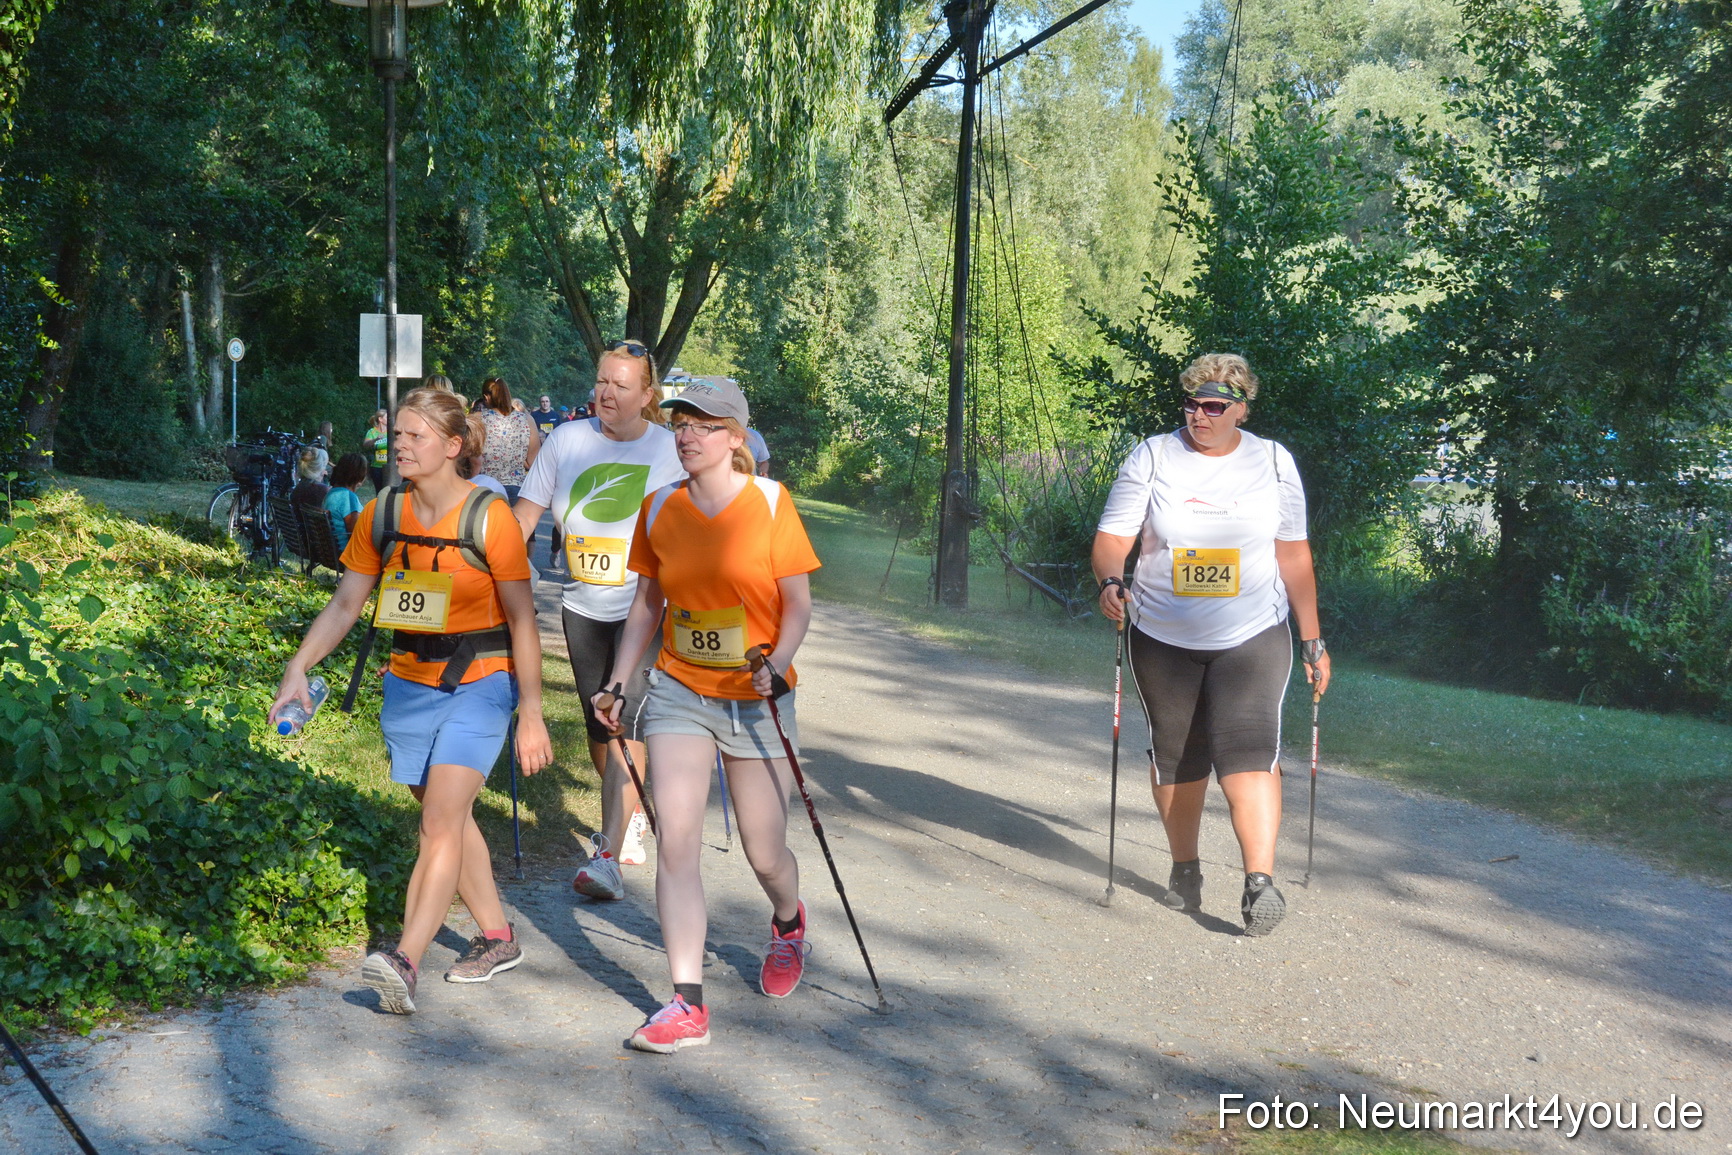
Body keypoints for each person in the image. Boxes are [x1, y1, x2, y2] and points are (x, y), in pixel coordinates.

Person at [269, 387, 553, 1013]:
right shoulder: (384, 512)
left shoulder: (491, 519)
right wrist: (298, 666)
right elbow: (348, 603)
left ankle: (405, 958)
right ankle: (500, 937)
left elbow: (524, 622)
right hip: (406, 686)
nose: (399, 444)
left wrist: (530, 710)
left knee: (438, 823)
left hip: (480, 684)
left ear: (453, 447)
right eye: (397, 434)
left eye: (414, 435)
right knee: (446, 818)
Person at [594, 374, 821, 1054]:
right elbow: (646, 605)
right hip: (679, 691)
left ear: (735, 437)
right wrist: (617, 681)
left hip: (755, 697)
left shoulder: (772, 502)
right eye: (681, 422)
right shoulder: (660, 506)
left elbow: (799, 604)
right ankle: (686, 1000)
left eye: (702, 423)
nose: (686, 433)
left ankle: (787, 919)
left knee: (763, 848)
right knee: (678, 837)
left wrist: (778, 660)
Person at [1090, 352, 1330, 938]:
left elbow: (1293, 554)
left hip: (1252, 632)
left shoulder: (1273, 462)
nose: (1201, 416)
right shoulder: (1153, 455)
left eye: (1215, 406)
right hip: (1163, 635)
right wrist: (1109, 582)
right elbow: (1112, 538)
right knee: (1178, 754)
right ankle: (1185, 867)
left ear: (1241, 410)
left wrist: (1312, 639)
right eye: (1193, 405)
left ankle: (1258, 883)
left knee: (1248, 748)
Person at [513, 337, 684, 899]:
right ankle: (628, 809)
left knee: (625, 718)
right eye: (602, 381)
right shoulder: (566, 440)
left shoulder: (666, 450)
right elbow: (524, 517)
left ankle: (606, 855)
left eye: (622, 385)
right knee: (598, 726)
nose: (607, 393)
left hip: (646, 605)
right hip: (582, 604)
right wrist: (490, 567)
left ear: (647, 395)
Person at [476, 376, 540, 503]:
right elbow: (534, 461)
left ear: (487, 397)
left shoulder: (477, 419)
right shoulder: (527, 419)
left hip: (484, 485)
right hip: (516, 487)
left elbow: (470, 457)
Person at [323, 452, 367, 550]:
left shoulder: (331, 493)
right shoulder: (348, 498)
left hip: (332, 551)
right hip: (348, 554)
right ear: (359, 475)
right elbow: (356, 534)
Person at [362, 410, 390, 493]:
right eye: (387, 417)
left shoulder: (392, 431)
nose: (389, 419)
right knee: (380, 492)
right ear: (380, 419)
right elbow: (365, 444)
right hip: (377, 466)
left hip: (390, 466)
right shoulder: (372, 432)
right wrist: (375, 439)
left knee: (390, 491)